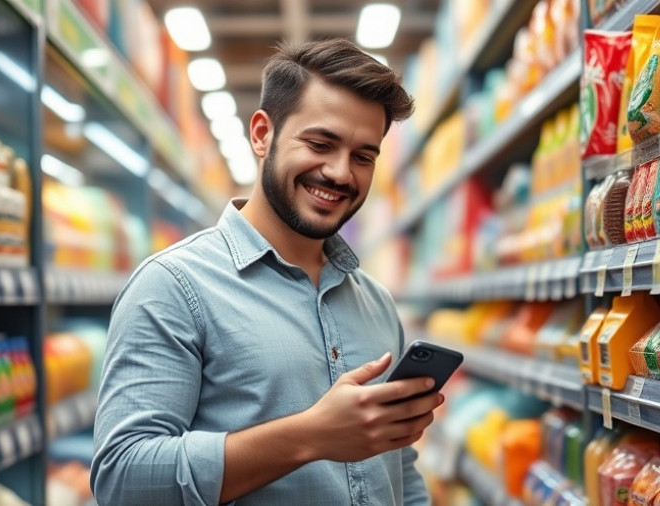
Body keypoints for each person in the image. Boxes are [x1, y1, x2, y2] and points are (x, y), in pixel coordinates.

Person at [91, 38, 444, 506]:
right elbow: (124, 478)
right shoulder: (172, 286)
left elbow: (398, 467)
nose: (341, 173)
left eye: (364, 156)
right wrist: (309, 436)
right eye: (321, 143)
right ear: (262, 134)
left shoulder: (376, 301)